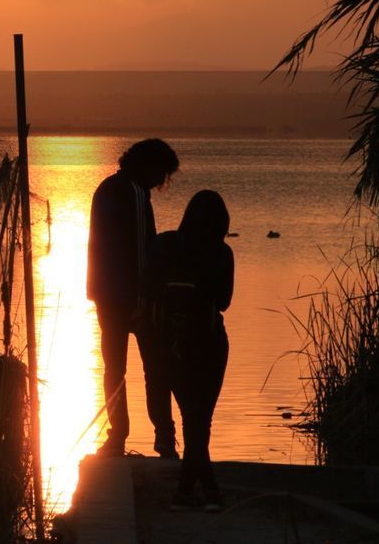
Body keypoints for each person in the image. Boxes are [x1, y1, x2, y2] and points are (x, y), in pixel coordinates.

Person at [87, 138, 180, 458]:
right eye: (162, 174)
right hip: (132, 299)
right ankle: (164, 436)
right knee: (155, 366)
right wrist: (144, 298)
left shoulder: (106, 188)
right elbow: (142, 250)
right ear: (149, 167)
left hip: (105, 294)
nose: (161, 182)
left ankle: (117, 436)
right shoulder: (134, 193)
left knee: (114, 367)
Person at [143, 189, 234, 512]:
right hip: (209, 344)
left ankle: (200, 492)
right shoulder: (221, 253)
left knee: (192, 420)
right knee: (200, 420)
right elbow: (223, 301)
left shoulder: (164, 244)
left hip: (168, 345)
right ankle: (200, 493)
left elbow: (148, 288)